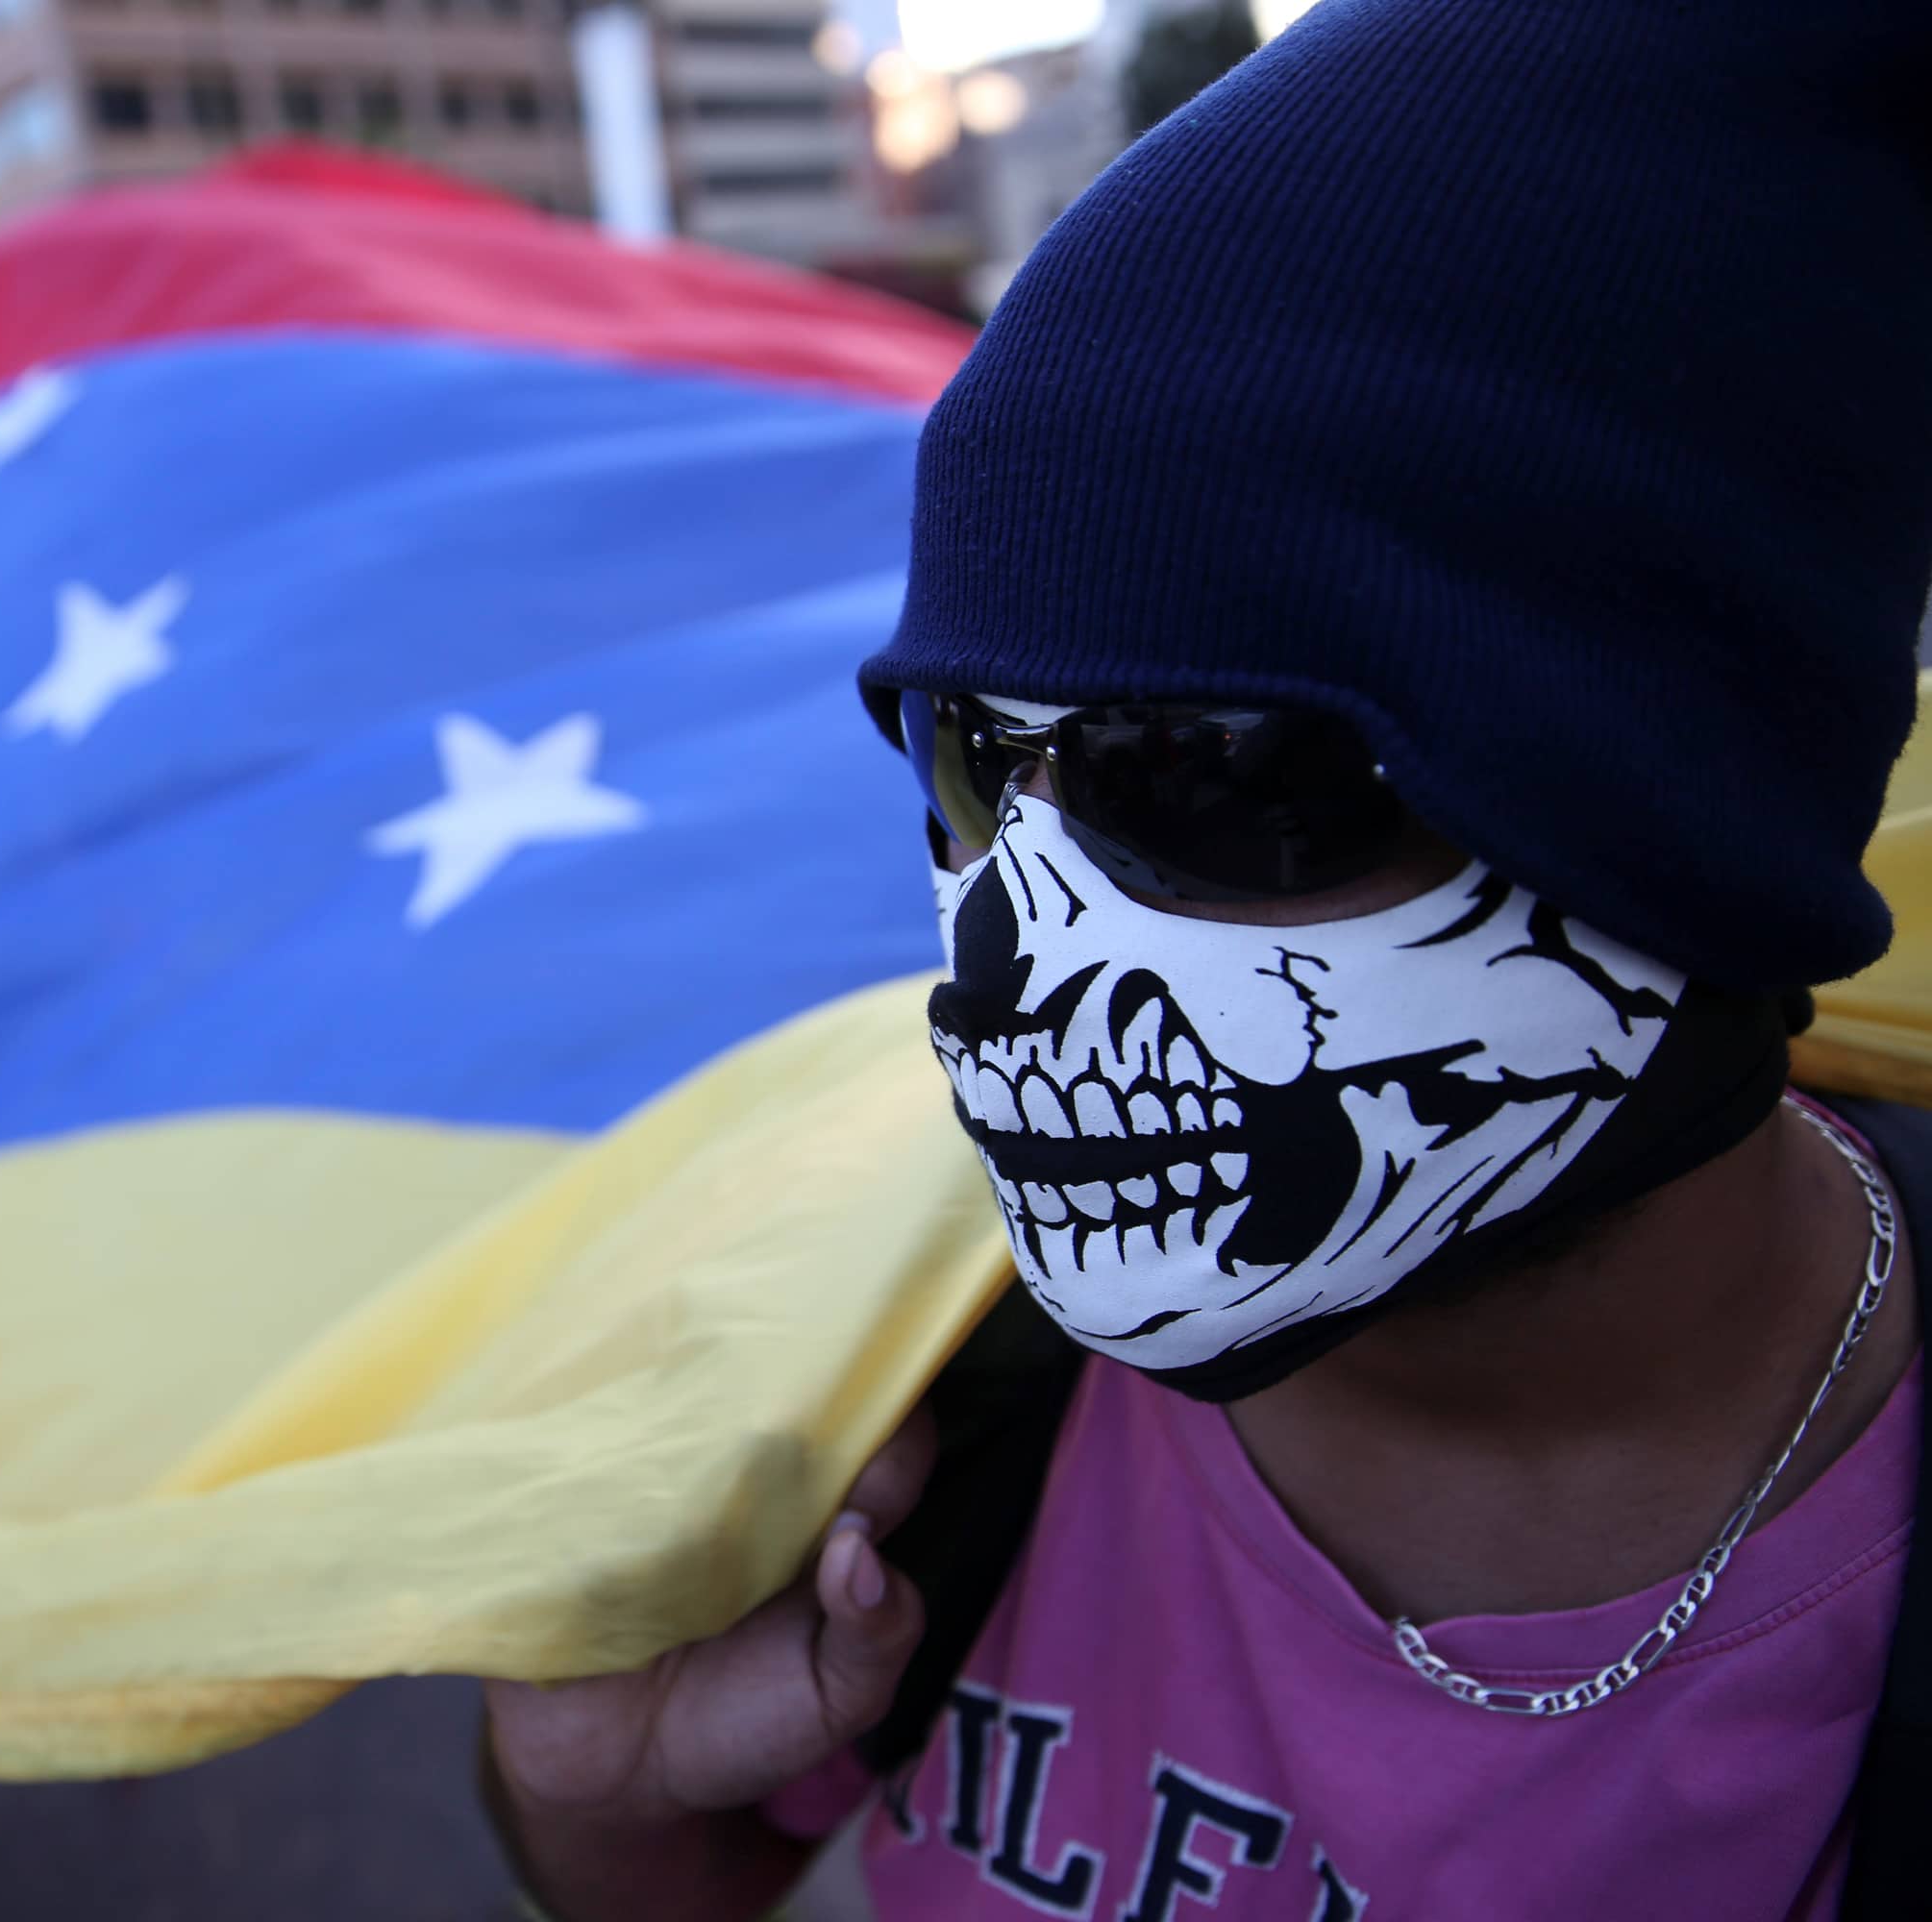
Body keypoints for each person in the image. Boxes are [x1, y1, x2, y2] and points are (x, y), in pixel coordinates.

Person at [478, 0, 1932, 1915]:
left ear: (1682, 784)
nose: (1003, 952)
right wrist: (594, 1795)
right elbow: (671, 1876)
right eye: (971, 770)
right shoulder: (920, 1386)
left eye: (1217, 773)